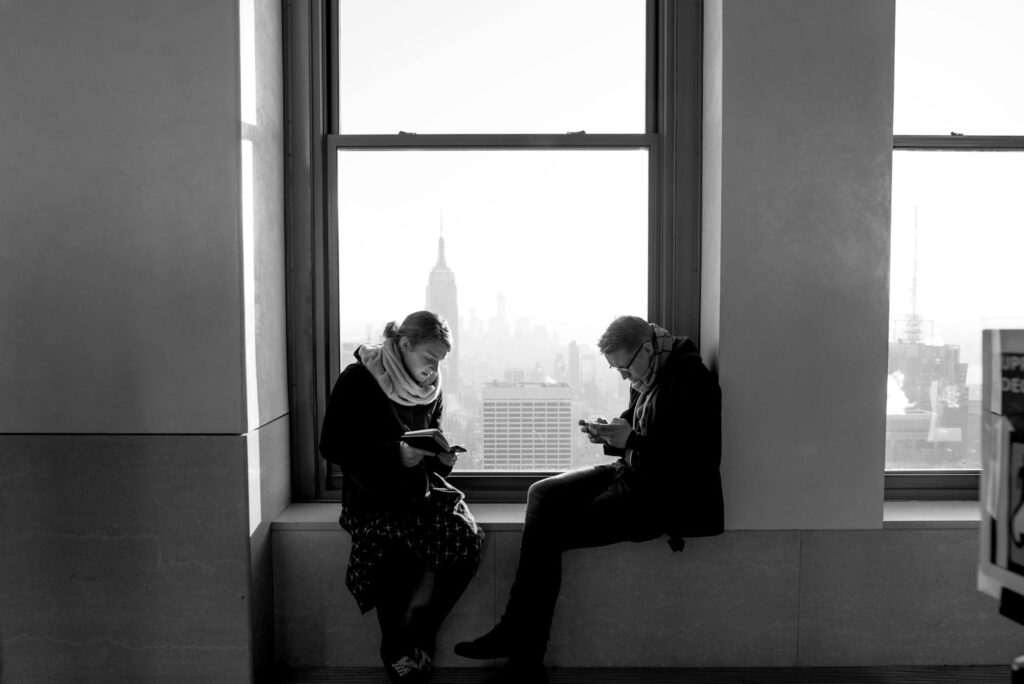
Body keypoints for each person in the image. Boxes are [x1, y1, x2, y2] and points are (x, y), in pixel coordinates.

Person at [454, 315, 723, 683]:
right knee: (542, 492)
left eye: (624, 368)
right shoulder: (652, 370)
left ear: (646, 348)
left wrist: (630, 441)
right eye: (616, 370)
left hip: (656, 498)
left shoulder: (691, 379)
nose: (624, 378)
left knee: (550, 532)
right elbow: (638, 423)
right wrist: (610, 433)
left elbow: (694, 461)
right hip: (630, 472)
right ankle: (518, 639)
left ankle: (522, 649)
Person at [320, 311, 484, 684]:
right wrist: (395, 453)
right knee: (395, 553)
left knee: (466, 541)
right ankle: (395, 648)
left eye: (440, 361)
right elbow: (332, 445)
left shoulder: (431, 386)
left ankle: (420, 630)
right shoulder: (359, 379)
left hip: (418, 489)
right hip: (372, 493)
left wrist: (442, 458)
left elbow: (430, 437)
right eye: (429, 358)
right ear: (405, 345)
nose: (433, 369)